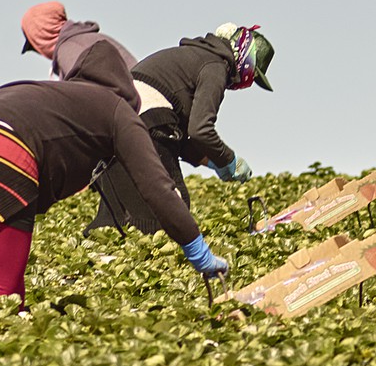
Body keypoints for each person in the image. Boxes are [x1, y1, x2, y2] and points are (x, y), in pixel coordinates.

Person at [0, 40, 230, 317]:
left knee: (3, 298)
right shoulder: (118, 109)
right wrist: (198, 251)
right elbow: (157, 188)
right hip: (1, 146)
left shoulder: (58, 95)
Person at [88, 23, 273, 236]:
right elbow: (200, 129)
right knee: (172, 209)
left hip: (112, 120)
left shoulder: (192, 56)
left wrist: (212, 162)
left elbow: (180, 138)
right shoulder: (216, 65)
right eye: (252, 75)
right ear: (245, 58)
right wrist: (229, 159)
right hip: (147, 119)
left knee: (117, 217)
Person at [19, 1, 136, 79]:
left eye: (35, 45)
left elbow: (91, 96)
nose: (39, 52)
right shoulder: (88, 39)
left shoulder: (68, 50)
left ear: (42, 35)